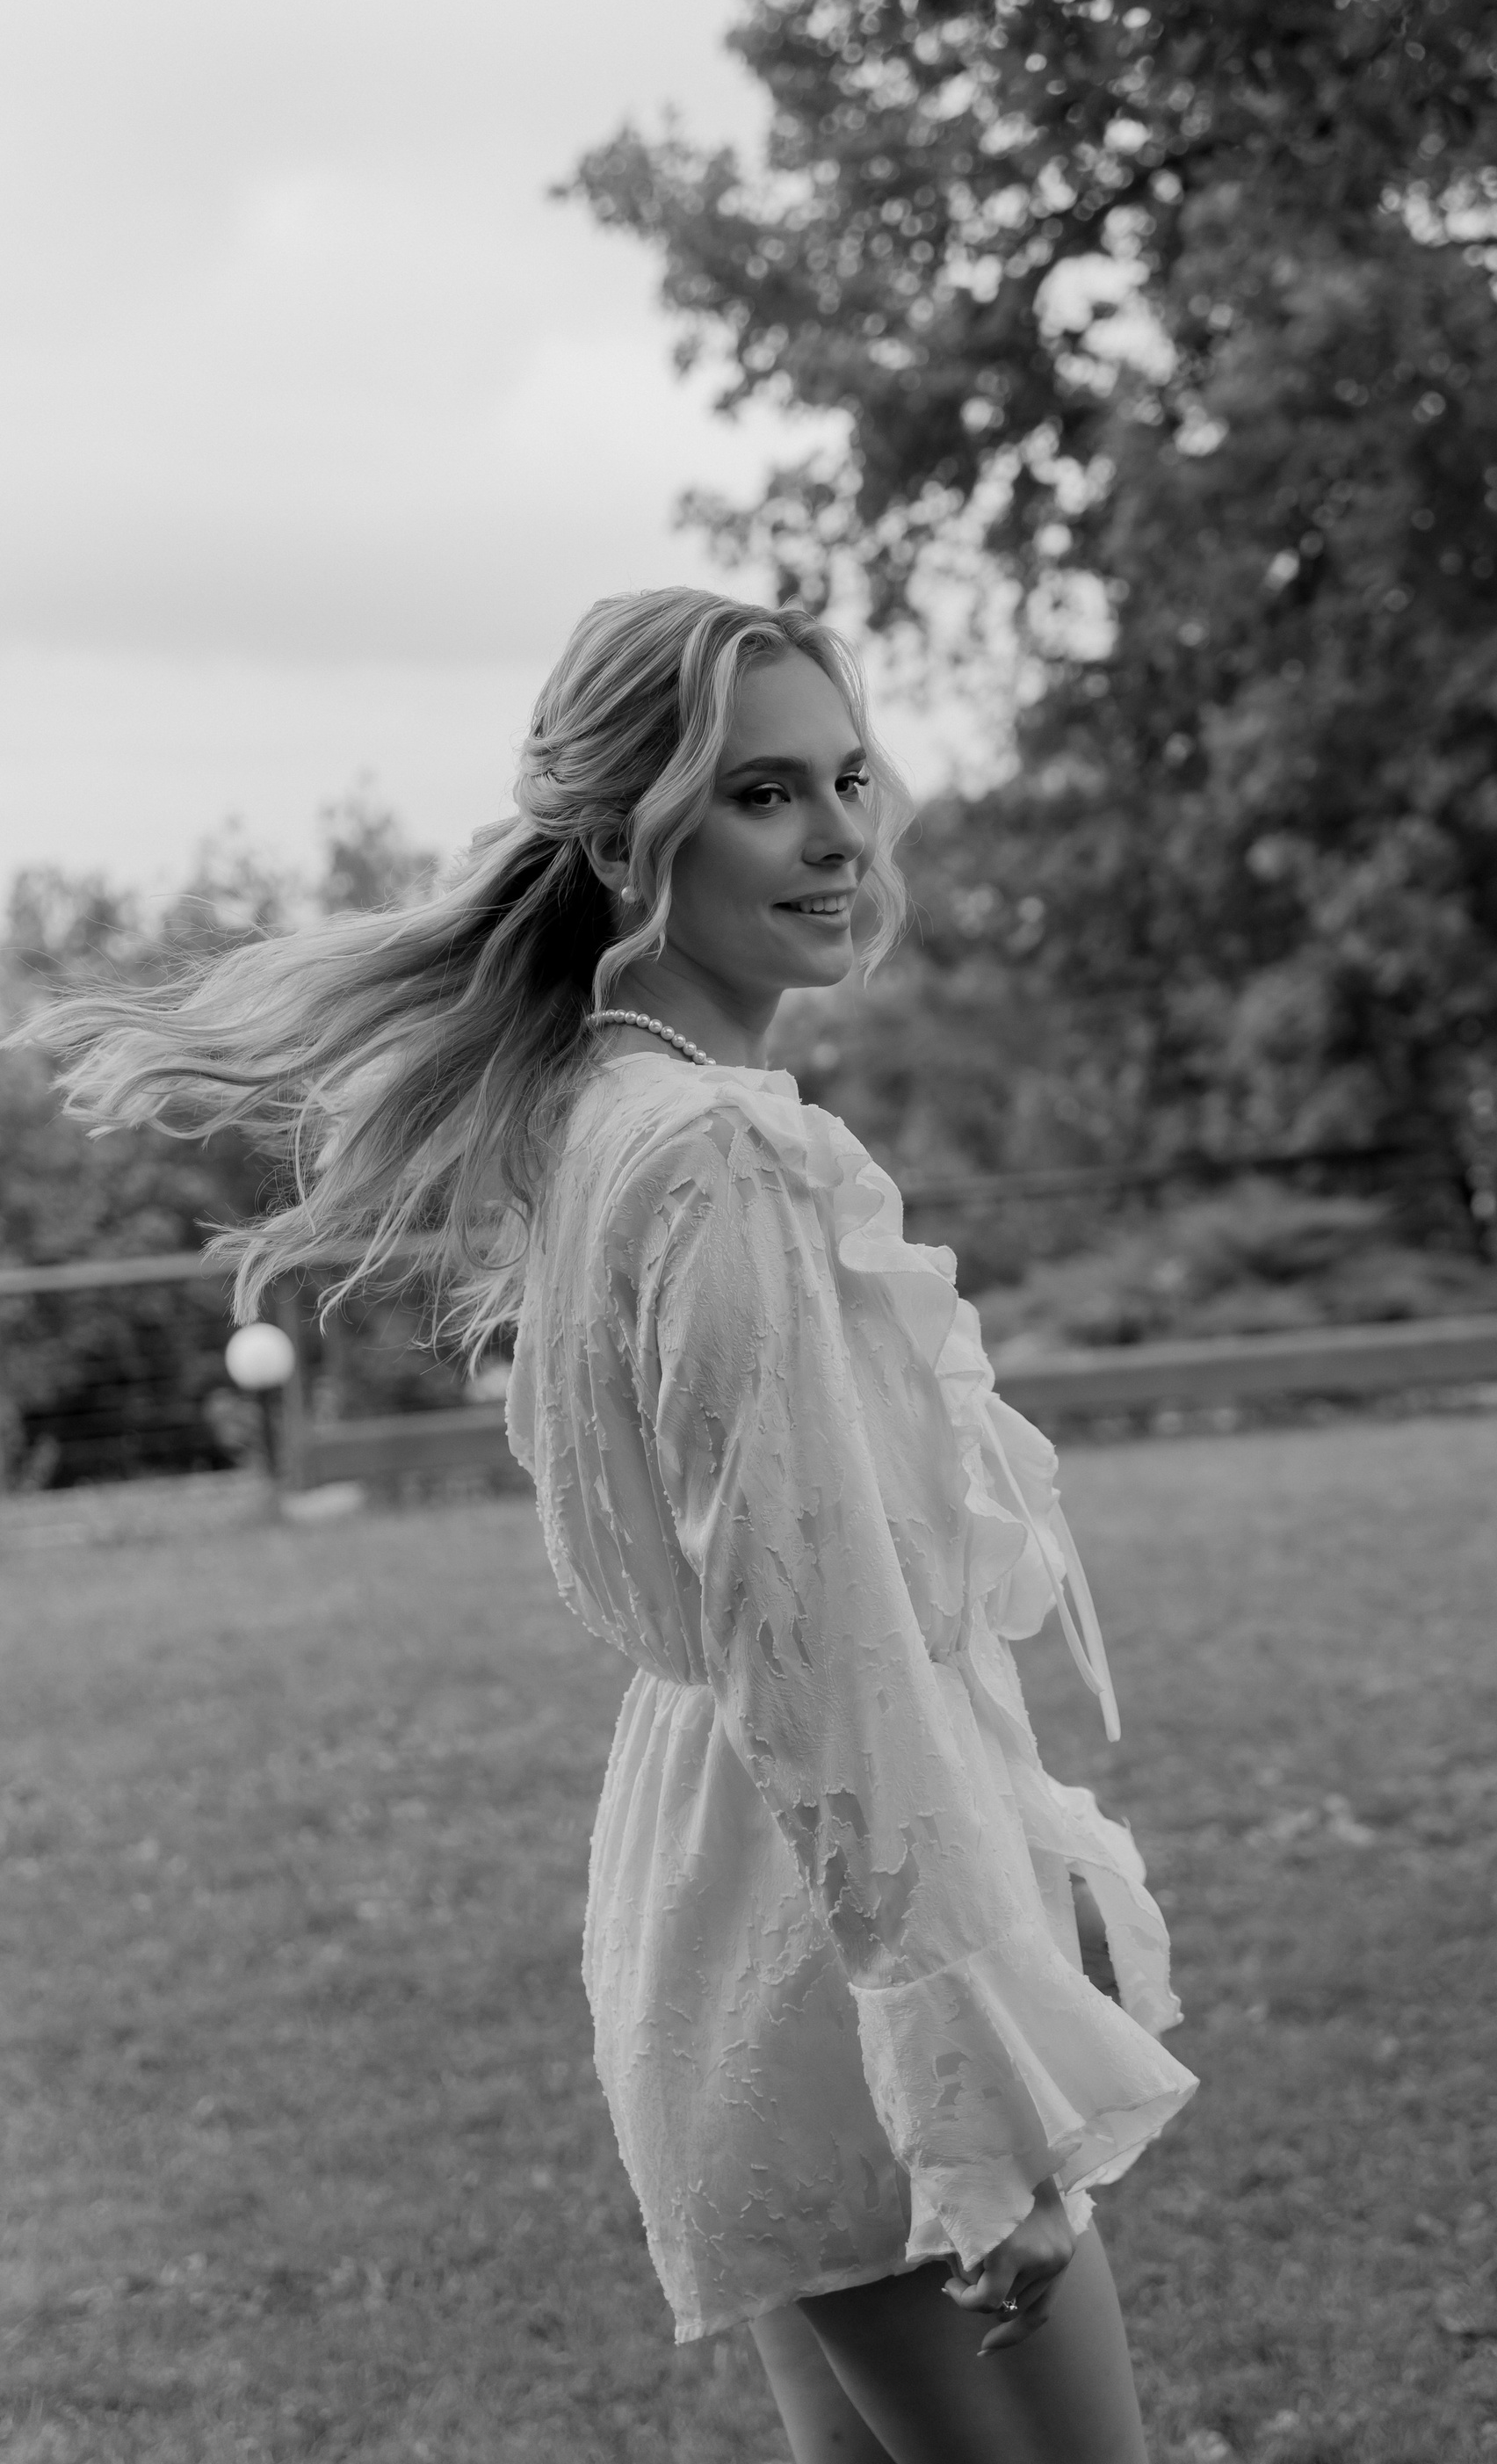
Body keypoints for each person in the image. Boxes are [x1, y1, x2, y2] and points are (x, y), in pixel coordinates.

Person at [32, 589, 1197, 2464]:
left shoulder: (611, 1120)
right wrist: (967, 2091)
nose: (837, 838)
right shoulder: (712, 1155)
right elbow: (813, 1649)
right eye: (761, 793)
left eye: (847, 779)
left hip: (748, 1904)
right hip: (835, 1944)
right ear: (621, 842)